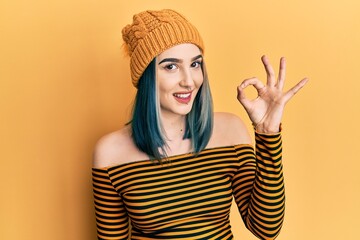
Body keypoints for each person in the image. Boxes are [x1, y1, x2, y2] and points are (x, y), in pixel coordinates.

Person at [92, 9, 308, 240]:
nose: (189, 81)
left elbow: (266, 229)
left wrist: (267, 133)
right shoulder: (110, 153)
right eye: (171, 66)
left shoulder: (229, 131)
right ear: (146, 77)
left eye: (195, 64)